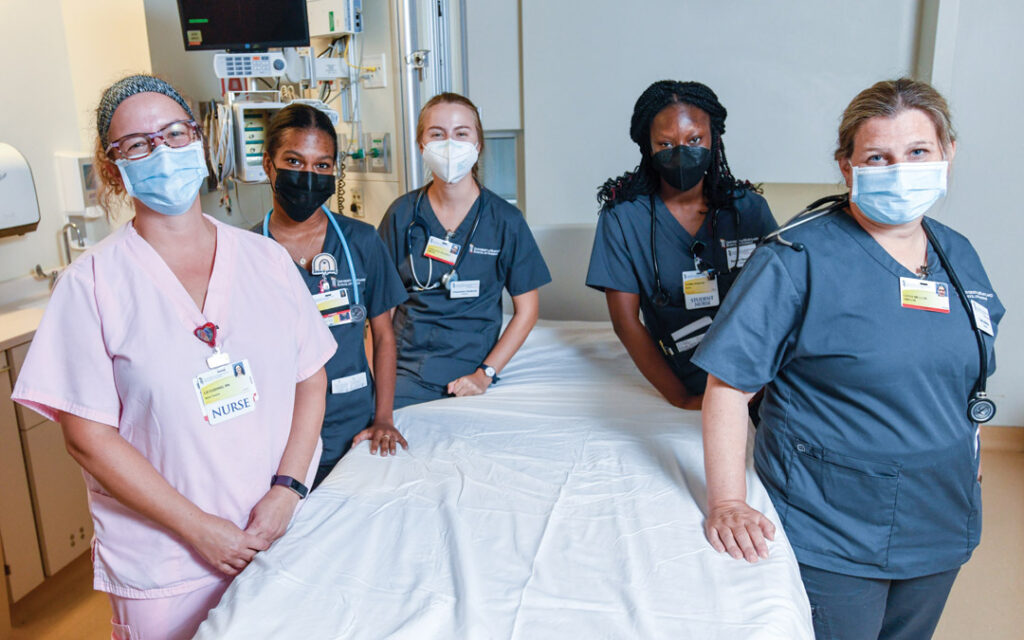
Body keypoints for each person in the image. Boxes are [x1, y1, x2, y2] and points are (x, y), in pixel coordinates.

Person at [11, 75, 336, 640]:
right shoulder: (91, 284)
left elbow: (311, 382)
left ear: (200, 141)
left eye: (174, 133)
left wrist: (288, 491)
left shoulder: (266, 260)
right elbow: (87, 437)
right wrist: (200, 529)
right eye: (137, 144)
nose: (162, 152)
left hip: (277, 532)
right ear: (113, 168)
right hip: (167, 561)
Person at [693, 78, 1004, 639]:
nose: (901, 170)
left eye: (918, 153)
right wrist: (728, 502)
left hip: (940, 510)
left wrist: (969, 446)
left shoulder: (958, 253)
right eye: (878, 157)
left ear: (947, 154)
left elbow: (964, 370)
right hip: (832, 521)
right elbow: (727, 387)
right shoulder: (796, 257)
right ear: (847, 167)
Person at [586, 80, 777, 410]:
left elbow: (778, 306)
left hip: (761, 369)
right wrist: (680, 397)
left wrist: (769, 383)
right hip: (688, 370)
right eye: (665, 143)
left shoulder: (748, 208)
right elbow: (625, 323)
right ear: (648, 147)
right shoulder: (623, 218)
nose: (681, 152)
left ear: (714, 138)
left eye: (694, 140)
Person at [256, 104, 409, 485]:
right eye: (294, 160)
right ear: (268, 165)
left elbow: (384, 335)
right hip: (278, 434)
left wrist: (384, 418)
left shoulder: (361, 241)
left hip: (353, 424)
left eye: (323, 165)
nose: (309, 175)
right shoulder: (244, 252)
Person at [378, 93, 551, 407]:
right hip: (404, 366)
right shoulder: (401, 214)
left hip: (470, 366)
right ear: (421, 146)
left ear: (477, 145)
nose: (449, 144)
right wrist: (377, 374)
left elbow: (528, 311)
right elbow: (382, 308)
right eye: (437, 134)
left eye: (461, 133)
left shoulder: (505, 221)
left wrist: (485, 374)